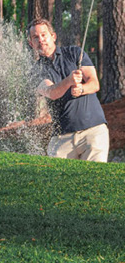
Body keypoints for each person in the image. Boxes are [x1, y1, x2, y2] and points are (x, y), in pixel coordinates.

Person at [27, 17, 109, 163]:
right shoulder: (35, 70)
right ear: (31, 43)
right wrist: (69, 81)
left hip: (93, 130)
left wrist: (81, 89)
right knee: (55, 176)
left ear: (53, 36)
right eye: (35, 37)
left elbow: (94, 83)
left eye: (44, 34)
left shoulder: (74, 53)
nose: (41, 39)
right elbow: (51, 92)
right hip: (61, 137)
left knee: (94, 176)